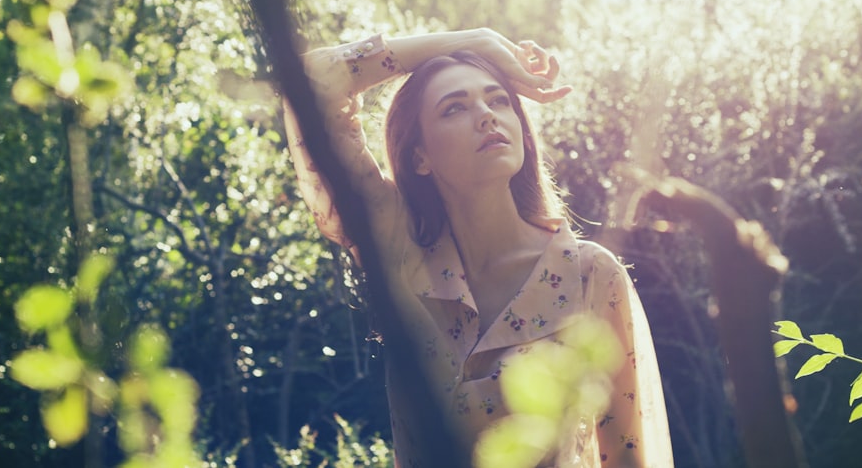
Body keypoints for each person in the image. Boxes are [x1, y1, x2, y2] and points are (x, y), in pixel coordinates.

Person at [284, 28, 673, 467]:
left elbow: (627, 454)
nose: (487, 115)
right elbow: (312, 81)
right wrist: (474, 40)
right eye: (455, 108)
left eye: (499, 100)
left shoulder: (586, 275)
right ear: (419, 158)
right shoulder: (400, 253)